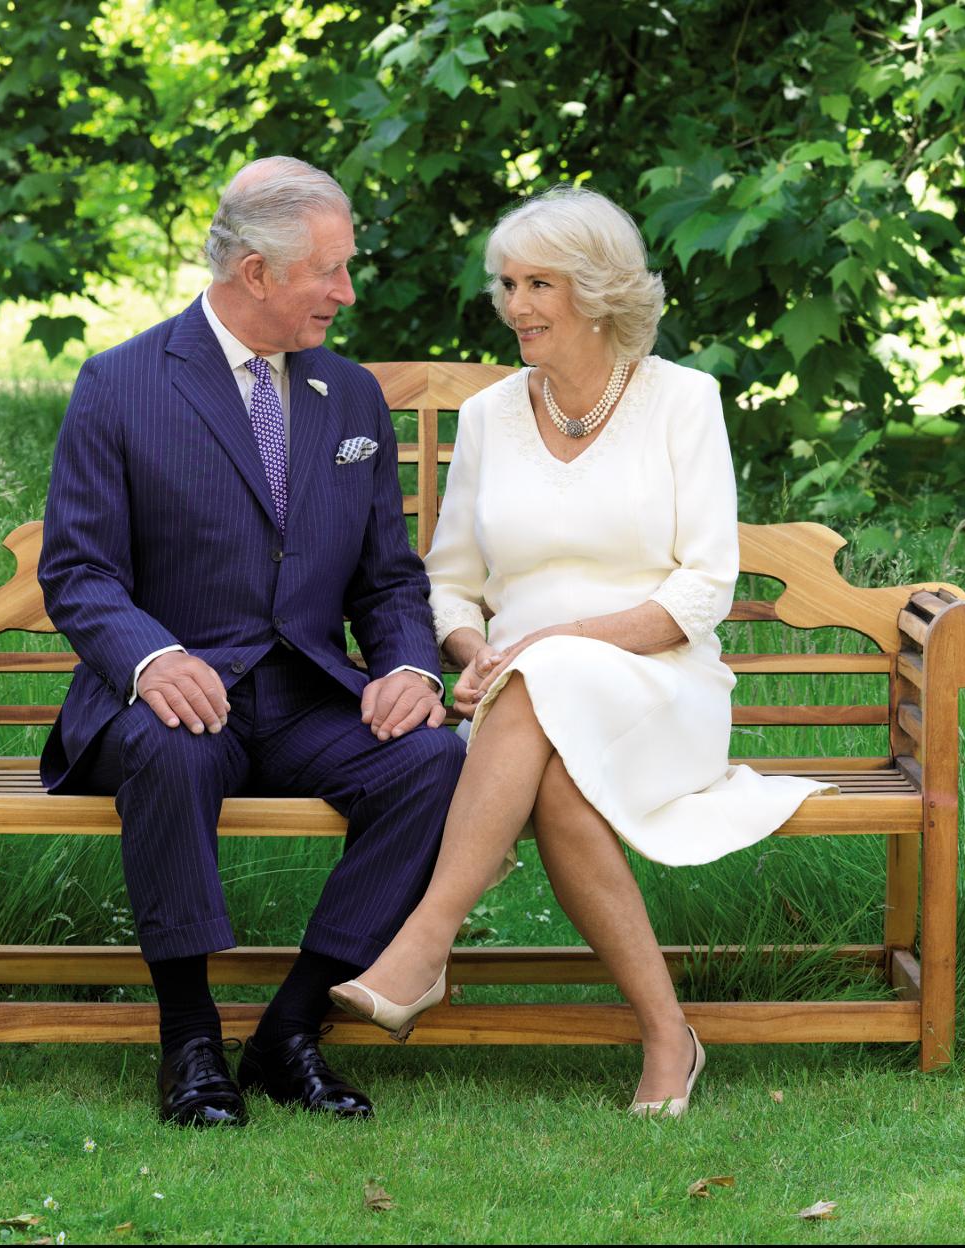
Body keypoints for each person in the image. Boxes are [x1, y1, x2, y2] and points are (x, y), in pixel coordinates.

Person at [330, 186, 831, 1117]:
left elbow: (701, 590)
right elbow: (449, 580)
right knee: (556, 771)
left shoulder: (683, 401)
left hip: (661, 689)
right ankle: (666, 1035)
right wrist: (476, 650)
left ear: (598, 292)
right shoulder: (487, 417)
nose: (516, 305)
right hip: (528, 704)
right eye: (508, 284)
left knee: (544, 669)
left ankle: (426, 938)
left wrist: (544, 644)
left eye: (540, 284)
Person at [37, 156, 465, 1127]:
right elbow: (78, 573)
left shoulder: (349, 397)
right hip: (170, 698)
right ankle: (189, 1043)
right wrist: (151, 657)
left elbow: (388, 577)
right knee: (173, 749)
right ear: (257, 274)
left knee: (433, 762)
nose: (348, 293)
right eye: (331, 271)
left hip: (303, 698)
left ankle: (291, 1028)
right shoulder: (120, 386)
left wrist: (406, 665)